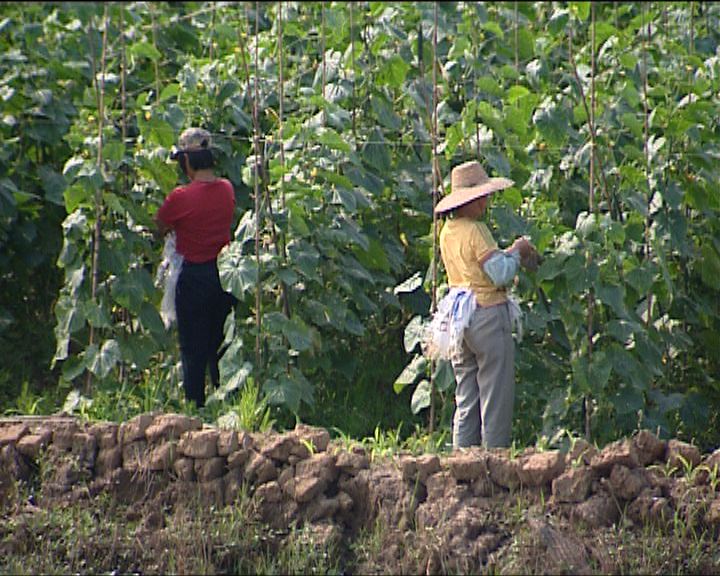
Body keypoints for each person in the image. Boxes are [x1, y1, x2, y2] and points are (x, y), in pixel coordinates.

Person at [428, 160, 537, 449]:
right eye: (482, 196)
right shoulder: (476, 230)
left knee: (467, 396)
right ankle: (493, 464)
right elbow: (499, 273)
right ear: (471, 200)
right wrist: (517, 251)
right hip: (487, 314)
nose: (486, 201)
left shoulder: (447, 231)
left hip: (460, 319)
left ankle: (462, 464)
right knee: (495, 394)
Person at [155, 127, 236, 408]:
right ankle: (223, 402)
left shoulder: (181, 197)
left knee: (192, 348)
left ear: (187, 162)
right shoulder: (226, 190)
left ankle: (195, 408)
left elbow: (161, 223)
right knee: (219, 343)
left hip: (192, 276)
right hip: (223, 275)